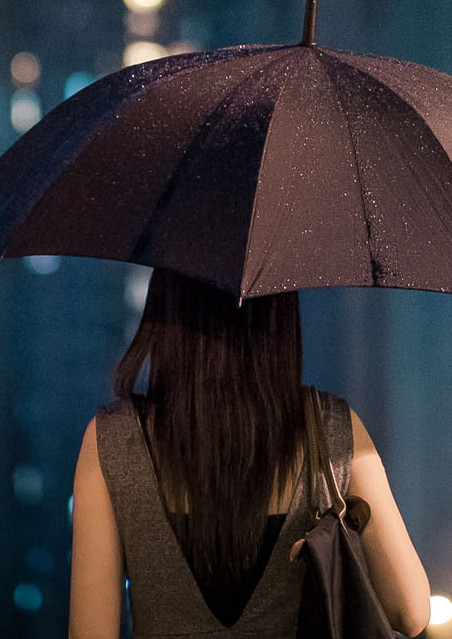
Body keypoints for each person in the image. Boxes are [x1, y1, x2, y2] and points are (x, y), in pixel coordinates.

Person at [70, 268, 432, 638]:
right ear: (281, 314)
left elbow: (89, 632)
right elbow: (411, 612)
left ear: (166, 305)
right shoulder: (332, 429)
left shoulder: (112, 439)